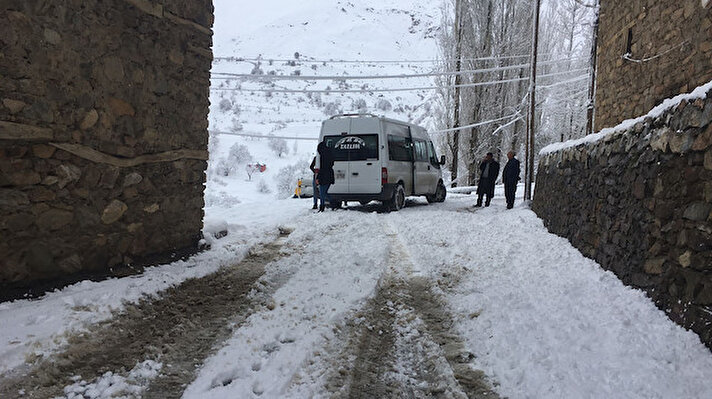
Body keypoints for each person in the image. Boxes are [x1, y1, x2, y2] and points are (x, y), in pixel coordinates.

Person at [316, 141, 335, 212]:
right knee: (324, 193)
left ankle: (322, 207)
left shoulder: (323, 156)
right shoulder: (330, 153)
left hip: (324, 177)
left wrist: (318, 178)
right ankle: (333, 203)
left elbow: (322, 169)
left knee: (322, 193)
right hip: (329, 175)